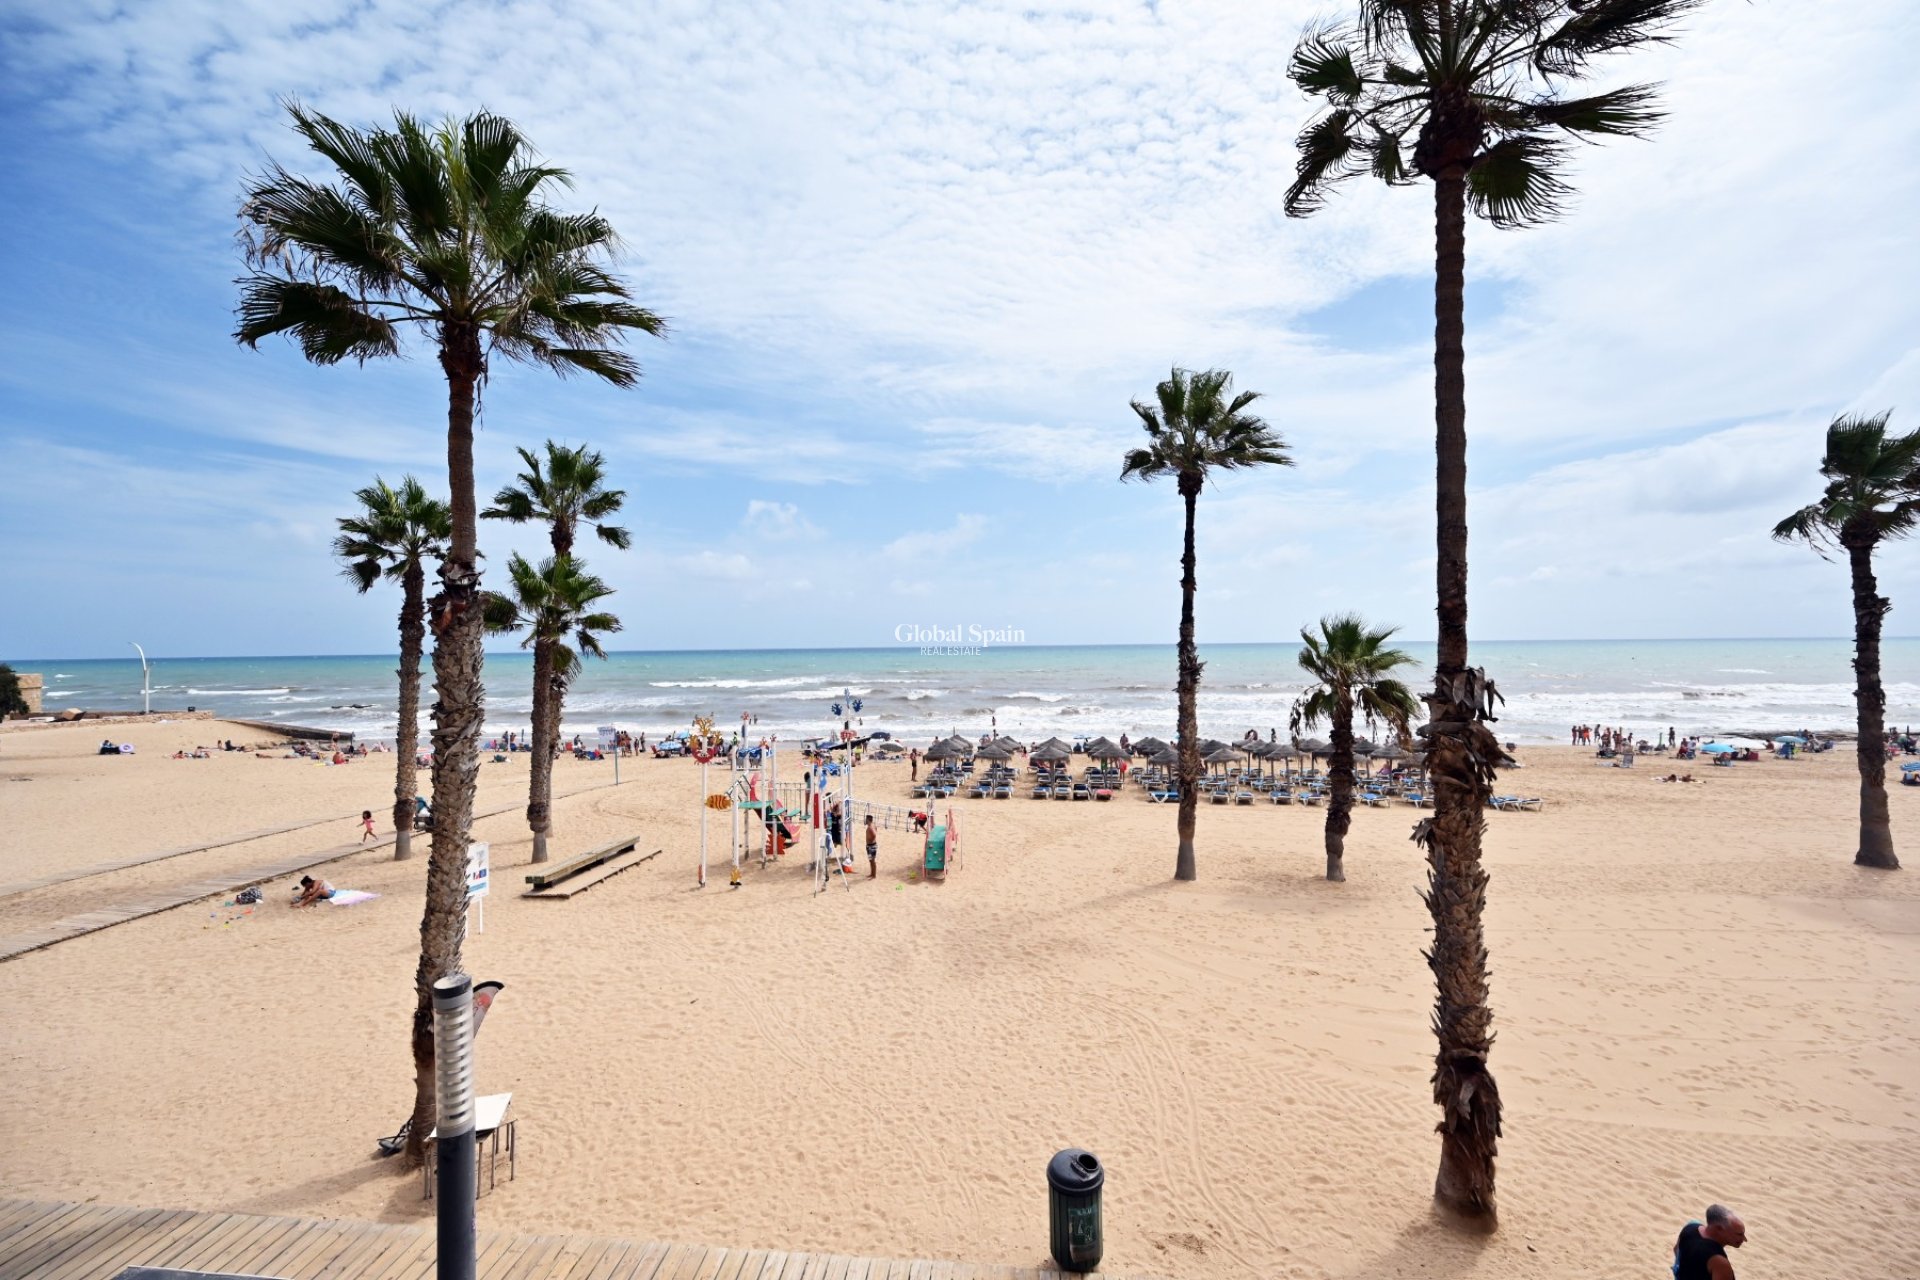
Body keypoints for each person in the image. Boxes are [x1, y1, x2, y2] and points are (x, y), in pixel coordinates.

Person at [1672, 1204, 1744, 1279]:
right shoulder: (1719, 1262)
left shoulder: (1690, 1226)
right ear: (1719, 1228)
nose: (1744, 1239)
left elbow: (1676, 1250)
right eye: (1739, 1234)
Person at [865, 815, 878, 879]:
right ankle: (872, 873)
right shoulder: (872, 825)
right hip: (870, 846)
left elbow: (874, 835)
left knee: (872, 860)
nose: (865, 820)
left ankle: (874, 875)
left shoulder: (870, 827)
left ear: (868, 820)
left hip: (871, 846)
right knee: (870, 860)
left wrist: (871, 840)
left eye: (866, 819)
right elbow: (876, 830)